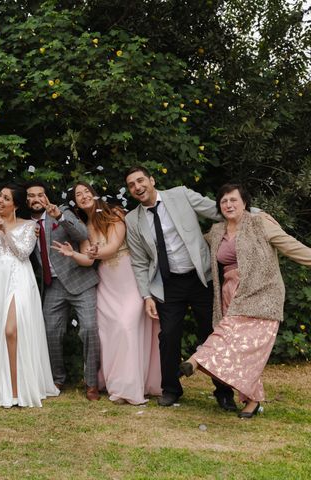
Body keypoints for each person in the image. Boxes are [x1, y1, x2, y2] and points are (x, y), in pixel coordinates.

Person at [179, 184, 311, 418]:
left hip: (261, 294)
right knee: (237, 345)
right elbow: (192, 244)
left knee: (243, 346)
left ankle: (196, 360)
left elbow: (290, 246)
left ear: (245, 203)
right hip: (231, 293)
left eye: (233, 200)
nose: (228, 205)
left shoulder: (260, 223)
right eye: (223, 202)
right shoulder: (217, 231)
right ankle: (254, 400)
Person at [124, 166, 236, 409]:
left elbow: (217, 211)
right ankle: (171, 389)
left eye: (141, 180)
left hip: (200, 278)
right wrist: (146, 295)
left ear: (152, 180)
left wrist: (253, 214)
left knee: (212, 333)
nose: (137, 187)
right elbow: (139, 261)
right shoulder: (132, 220)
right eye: (132, 185)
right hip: (167, 283)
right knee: (168, 336)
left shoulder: (181, 195)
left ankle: (224, 391)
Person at [52, 182, 161, 405]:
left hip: (127, 278)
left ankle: (130, 386)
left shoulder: (115, 214)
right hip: (106, 284)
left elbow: (112, 246)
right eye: (78, 194)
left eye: (86, 192)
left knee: (126, 326)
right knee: (108, 333)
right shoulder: (82, 226)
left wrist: (95, 252)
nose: (83, 196)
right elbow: (86, 260)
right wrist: (72, 254)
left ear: (94, 194)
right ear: (75, 201)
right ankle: (116, 385)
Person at [0, 184, 59, 407]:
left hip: (20, 278)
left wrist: (5, 231)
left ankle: (17, 390)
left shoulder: (29, 226)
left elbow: (23, 253)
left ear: (15, 204)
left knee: (11, 330)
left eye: (5, 198)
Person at [25, 180, 100, 400]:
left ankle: (92, 383)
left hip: (80, 280)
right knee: (49, 332)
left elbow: (82, 233)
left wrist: (59, 216)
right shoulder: (24, 223)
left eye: (40, 194)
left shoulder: (62, 212)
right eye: (31, 195)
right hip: (53, 286)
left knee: (89, 329)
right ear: (27, 200)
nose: (36, 199)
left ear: (47, 197)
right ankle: (57, 378)